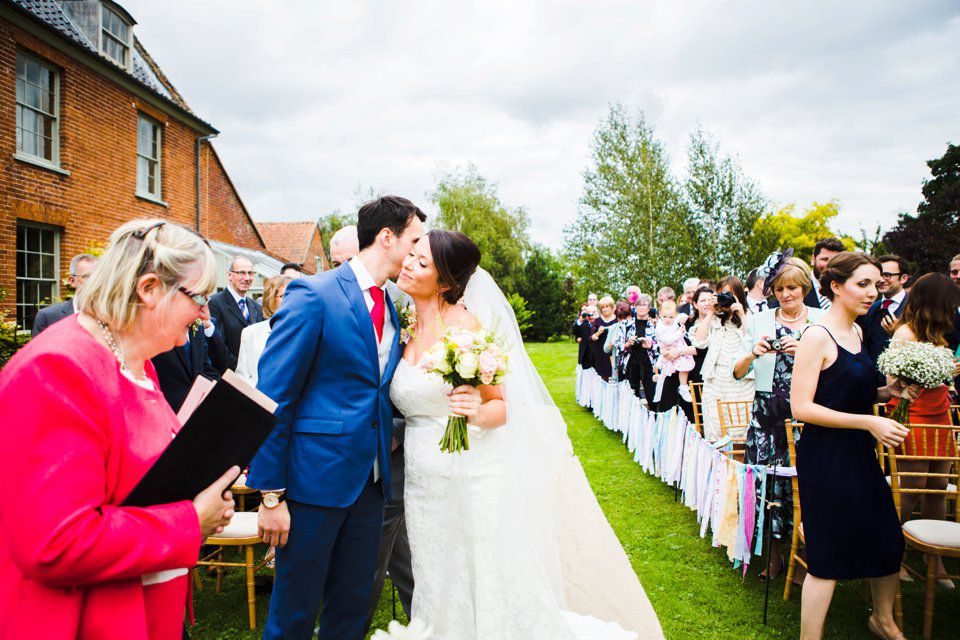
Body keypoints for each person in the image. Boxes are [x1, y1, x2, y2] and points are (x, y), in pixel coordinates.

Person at [392, 229, 657, 639]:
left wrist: (475, 412)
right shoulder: (404, 327)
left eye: (421, 262)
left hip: (469, 475)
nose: (408, 263)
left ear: (445, 281)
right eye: (411, 254)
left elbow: (501, 407)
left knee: (479, 572)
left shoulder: (467, 330)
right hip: (422, 480)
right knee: (434, 570)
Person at [0, 219, 237, 640]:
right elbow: (56, 543)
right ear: (149, 290)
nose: (205, 312)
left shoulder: (139, 363)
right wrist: (190, 521)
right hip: (85, 619)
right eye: (198, 297)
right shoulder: (58, 368)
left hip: (146, 607)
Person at [247, 196, 426, 640]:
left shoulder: (391, 306)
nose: (422, 251)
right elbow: (274, 396)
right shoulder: (315, 294)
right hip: (312, 485)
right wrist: (270, 495)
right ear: (388, 237)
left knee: (350, 609)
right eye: (416, 240)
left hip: (371, 486)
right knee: (294, 612)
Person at [790, 251, 919, 640]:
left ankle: (882, 620)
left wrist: (888, 391)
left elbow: (852, 392)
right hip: (826, 458)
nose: (871, 293)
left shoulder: (859, 332)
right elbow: (802, 407)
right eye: (862, 284)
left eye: (875, 284)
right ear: (835, 287)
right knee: (827, 553)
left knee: (887, 538)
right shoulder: (817, 336)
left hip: (859, 455)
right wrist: (868, 421)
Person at [733, 253, 824, 579]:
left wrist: (804, 351)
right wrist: (752, 353)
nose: (787, 295)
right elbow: (736, 371)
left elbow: (836, 366)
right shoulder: (759, 321)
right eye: (780, 289)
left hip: (808, 413)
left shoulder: (820, 320)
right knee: (768, 487)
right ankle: (774, 558)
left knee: (806, 486)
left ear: (804, 289)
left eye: (793, 289)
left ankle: (805, 558)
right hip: (766, 416)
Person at [885, 273, 960, 587]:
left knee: (938, 484)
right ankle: (893, 555)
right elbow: (892, 383)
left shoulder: (938, 334)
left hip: (939, 413)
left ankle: (935, 558)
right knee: (912, 487)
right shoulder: (905, 334)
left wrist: (948, 375)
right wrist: (937, 373)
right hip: (912, 413)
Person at [691, 276, 754, 441]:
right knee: (716, 432)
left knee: (740, 432)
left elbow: (753, 341)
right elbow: (699, 341)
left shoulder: (750, 316)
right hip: (716, 381)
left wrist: (740, 312)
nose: (726, 298)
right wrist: (711, 311)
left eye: (730, 294)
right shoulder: (714, 319)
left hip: (742, 383)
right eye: (722, 294)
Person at [151, 316, 230, 414]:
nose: (206, 313)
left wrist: (224, 393)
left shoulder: (197, 325)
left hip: (197, 411)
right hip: (168, 412)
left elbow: (205, 368)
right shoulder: (156, 326)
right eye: (200, 300)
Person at [208, 256, 264, 370]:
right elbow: (218, 346)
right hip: (228, 373)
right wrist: (240, 369)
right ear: (229, 275)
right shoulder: (215, 304)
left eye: (250, 273)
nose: (247, 278)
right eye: (241, 273)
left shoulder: (257, 307)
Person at [236, 275, 291, 387]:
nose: (289, 300)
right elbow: (242, 376)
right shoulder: (250, 333)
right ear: (271, 298)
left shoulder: (304, 331)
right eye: (283, 295)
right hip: (258, 399)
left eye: (293, 295)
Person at [857, 254, 909, 365]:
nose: (881, 279)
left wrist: (898, 334)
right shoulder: (870, 307)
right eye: (879, 275)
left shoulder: (914, 307)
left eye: (887, 275)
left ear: (903, 278)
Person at [31, 253, 98, 336]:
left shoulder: (112, 316)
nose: (96, 281)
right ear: (72, 281)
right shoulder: (48, 316)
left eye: (98, 276)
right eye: (88, 276)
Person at [652, 300, 695, 402]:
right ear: (660, 315)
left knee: (685, 366)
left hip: (678, 349)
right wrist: (680, 332)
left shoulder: (675, 321)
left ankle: (683, 386)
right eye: (664, 316)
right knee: (673, 367)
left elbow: (682, 317)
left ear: (676, 315)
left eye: (671, 317)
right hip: (667, 350)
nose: (667, 320)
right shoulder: (660, 326)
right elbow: (667, 340)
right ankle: (663, 377)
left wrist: (683, 317)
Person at [627, 294, 656, 402]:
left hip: (648, 363)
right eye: (639, 305)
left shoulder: (654, 325)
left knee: (651, 393)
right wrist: (627, 343)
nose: (641, 307)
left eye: (645, 305)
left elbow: (660, 345)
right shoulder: (627, 324)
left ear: (649, 308)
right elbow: (618, 344)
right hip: (632, 362)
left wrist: (650, 345)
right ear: (635, 307)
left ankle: (653, 415)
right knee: (632, 393)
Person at [808, 237, 845, 309]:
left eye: (835, 260)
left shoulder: (845, 289)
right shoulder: (798, 284)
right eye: (825, 259)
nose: (829, 265)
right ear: (813, 259)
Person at [604, 300, 636, 382]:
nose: (623, 320)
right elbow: (606, 349)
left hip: (634, 364)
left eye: (626, 317)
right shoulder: (614, 328)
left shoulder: (635, 326)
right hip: (619, 366)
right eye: (620, 318)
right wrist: (613, 343)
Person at [589, 296, 618, 381]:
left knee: (615, 377)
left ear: (612, 307)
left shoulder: (617, 320)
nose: (605, 309)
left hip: (614, 353)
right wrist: (598, 332)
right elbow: (591, 338)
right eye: (602, 307)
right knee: (603, 378)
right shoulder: (597, 321)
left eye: (607, 306)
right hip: (601, 354)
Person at [573, 304, 596, 371]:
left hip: (596, 354)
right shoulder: (582, 322)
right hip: (585, 354)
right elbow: (575, 332)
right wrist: (580, 320)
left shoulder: (598, 322)